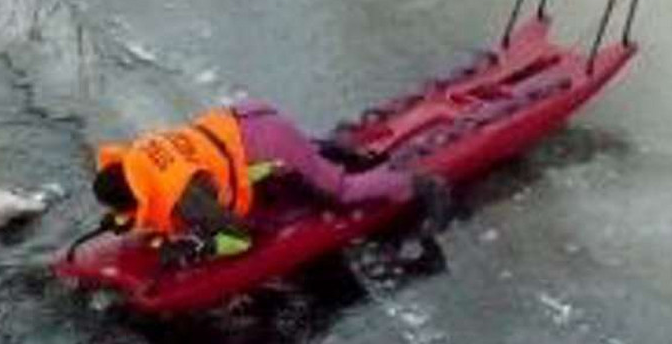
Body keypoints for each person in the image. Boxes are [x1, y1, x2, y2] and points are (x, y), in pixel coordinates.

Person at [91, 99, 450, 267]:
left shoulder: (184, 197)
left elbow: (238, 237)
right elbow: (185, 181)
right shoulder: (139, 152)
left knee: (339, 194)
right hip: (244, 120)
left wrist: (195, 252)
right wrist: (126, 220)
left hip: (267, 143)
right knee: (290, 166)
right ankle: (331, 150)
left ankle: (419, 183)